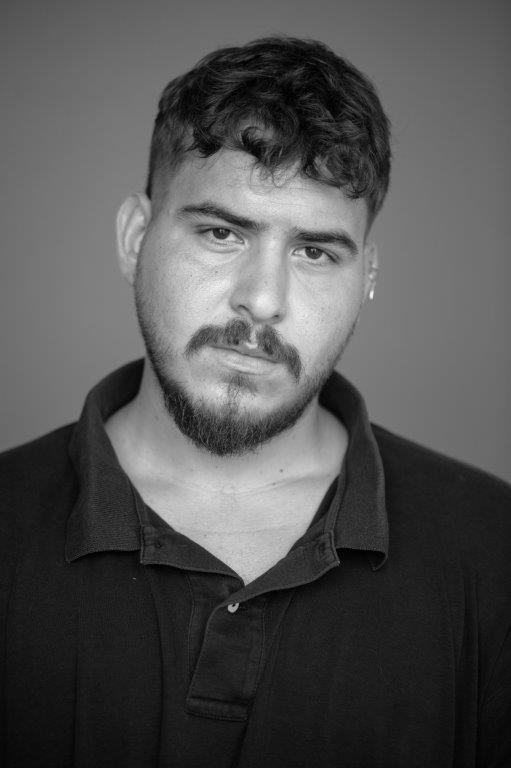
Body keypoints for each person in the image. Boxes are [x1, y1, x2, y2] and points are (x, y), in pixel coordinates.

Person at [0, 36, 510, 768]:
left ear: (367, 277)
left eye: (314, 252)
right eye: (221, 232)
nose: (263, 300)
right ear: (135, 237)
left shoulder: (493, 550)